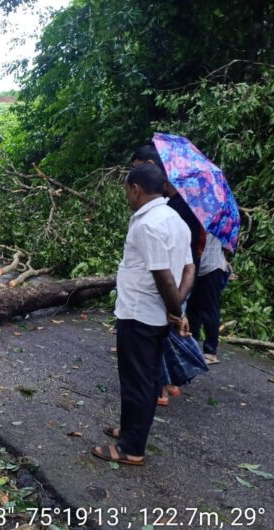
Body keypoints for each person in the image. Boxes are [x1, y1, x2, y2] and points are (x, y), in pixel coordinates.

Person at [93, 163, 194, 466]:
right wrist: (177, 310)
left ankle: (131, 448)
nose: (127, 196)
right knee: (145, 378)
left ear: (135, 188)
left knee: (138, 381)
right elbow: (189, 269)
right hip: (155, 315)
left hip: (140, 315)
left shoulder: (148, 224)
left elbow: (164, 276)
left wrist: (175, 311)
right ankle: (129, 430)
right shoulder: (176, 220)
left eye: (127, 191)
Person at [131, 144, 205, 405]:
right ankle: (169, 384)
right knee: (169, 330)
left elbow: (163, 272)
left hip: (172, 280)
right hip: (183, 275)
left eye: (137, 167)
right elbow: (190, 263)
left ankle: (162, 389)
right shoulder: (181, 205)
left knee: (162, 333)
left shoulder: (170, 211)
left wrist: (175, 307)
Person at [187, 233, 230, 364]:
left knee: (210, 309)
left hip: (212, 265)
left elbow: (228, 243)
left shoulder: (218, 221)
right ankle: (192, 347)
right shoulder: (202, 217)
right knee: (193, 308)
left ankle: (210, 351)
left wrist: (224, 259)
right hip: (197, 266)